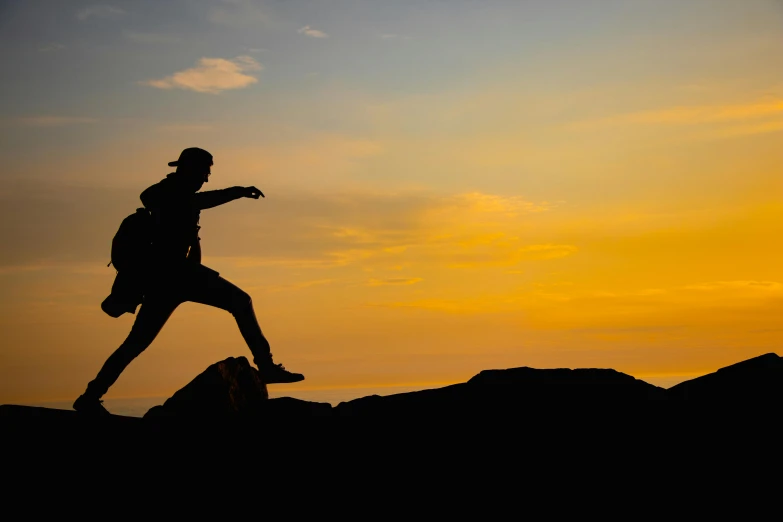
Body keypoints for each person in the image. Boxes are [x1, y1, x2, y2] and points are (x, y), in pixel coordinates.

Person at [73, 147, 304, 415]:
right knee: (241, 301)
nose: (206, 178)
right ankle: (266, 367)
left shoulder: (177, 195)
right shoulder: (168, 194)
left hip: (176, 278)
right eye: (205, 172)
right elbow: (182, 200)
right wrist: (238, 191)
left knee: (135, 343)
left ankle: (90, 396)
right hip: (173, 276)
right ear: (189, 169)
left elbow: (190, 213)